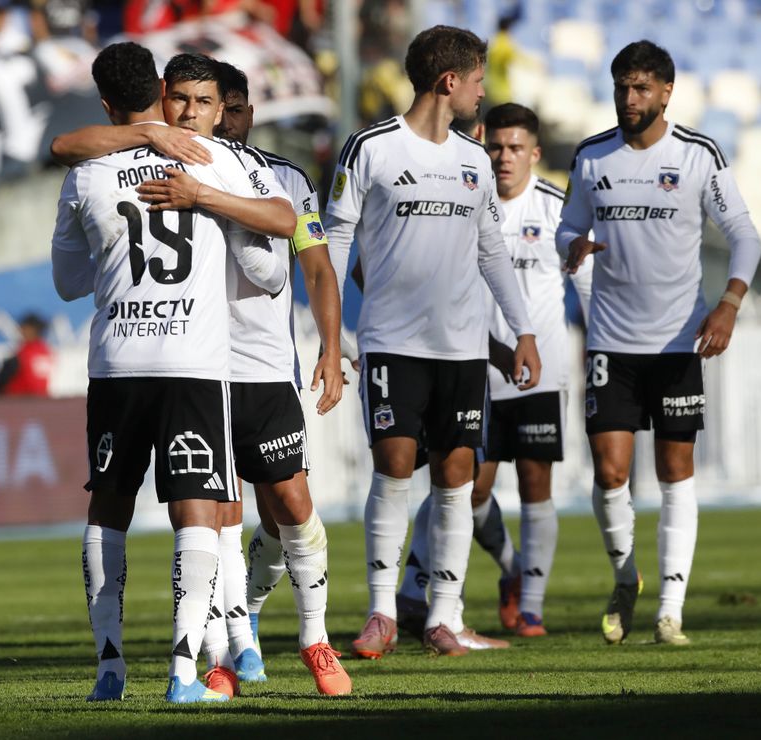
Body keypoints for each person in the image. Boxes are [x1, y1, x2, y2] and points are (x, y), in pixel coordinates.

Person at [50, 43, 295, 705]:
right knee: (200, 508)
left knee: (109, 504)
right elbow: (279, 244)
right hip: (193, 362)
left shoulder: (87, 171)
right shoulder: (212, 158)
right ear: (163, 91)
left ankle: (109, 667)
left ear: (107, 104)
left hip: (118, 360)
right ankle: (185, 672)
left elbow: (69, 283)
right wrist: (207, 205)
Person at [326, 24, 540, 659]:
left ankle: (444, 617)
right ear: (451, 82)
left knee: (455, 473)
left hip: (463, 349)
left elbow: (492, 252)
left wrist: (522, 329)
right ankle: (381, 612)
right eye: (478, 80)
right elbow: (335, 242)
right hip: (392, 342)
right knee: (393, 465)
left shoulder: (475, 160)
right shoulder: (370, 148)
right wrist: (330, 333)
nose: (482, 92)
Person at [556, 40, 761, 647]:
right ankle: (626, 579)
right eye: (622, 86)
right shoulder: (593, 156)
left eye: (642, 87)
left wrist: (728, 303)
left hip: (678, 343)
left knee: (675, 468)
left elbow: (744, 234)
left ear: (666, 91)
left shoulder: (697, 155)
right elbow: (571, 223)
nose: (629, 98)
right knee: (611, 470)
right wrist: (570, 245)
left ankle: (670, 608)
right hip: (610, 343)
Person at [398, 103, 593, 641]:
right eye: (496, 147)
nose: (504, 158)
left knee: (535, 483)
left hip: (539, 371)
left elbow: (588, 287)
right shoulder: (463, 201)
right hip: (474, 368)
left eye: (515, 149)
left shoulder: (557, 210)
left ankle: (529, 606)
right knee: (467, 488)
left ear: (534, 153)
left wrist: (596, 350)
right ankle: (503, 570)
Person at [200, 59, 351, 694]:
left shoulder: (287, 179)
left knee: (289, 505)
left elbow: (316, 266)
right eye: (215, 109)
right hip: (199, 367)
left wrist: (330, 344)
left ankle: (313, 638)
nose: (226, 121)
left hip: (266, 369)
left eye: (236, 108)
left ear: (248, 111)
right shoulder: (178, 176)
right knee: (217, 518)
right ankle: (222, 654)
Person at [0, 313, 54, 397]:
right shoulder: (46, 352)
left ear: (32, 329)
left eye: (23, 327)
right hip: (42, 401)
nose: (20, 330)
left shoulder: (24, 355)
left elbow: (1, 382)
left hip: (19, 402)